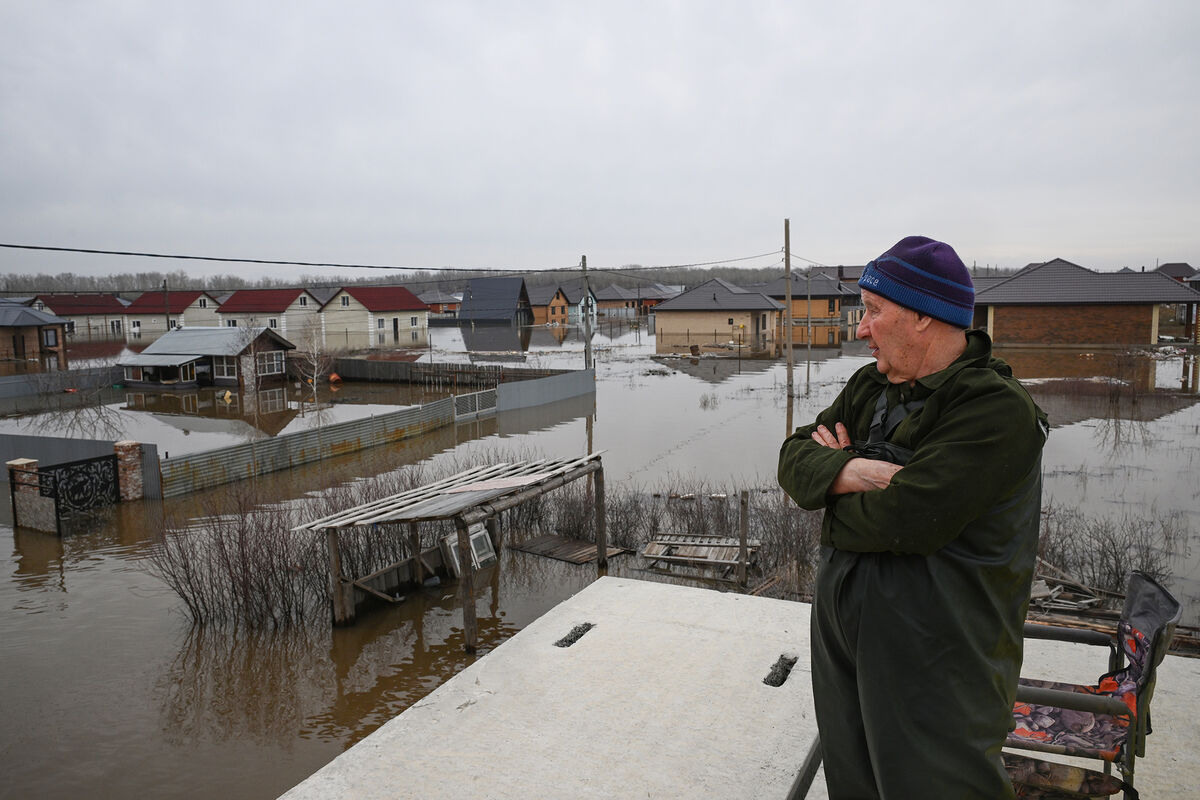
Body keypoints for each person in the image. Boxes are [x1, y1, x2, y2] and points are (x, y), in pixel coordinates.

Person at [777, 235, 1048, 799]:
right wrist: (860, 473)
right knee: (854, 782)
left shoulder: (996, 410)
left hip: (938, 663)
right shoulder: (871, 386)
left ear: (923, 317)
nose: (859, 328)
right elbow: (793, 460)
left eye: (874, 311)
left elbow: (909, 519)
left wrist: (833, 486)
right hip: (845, 647)